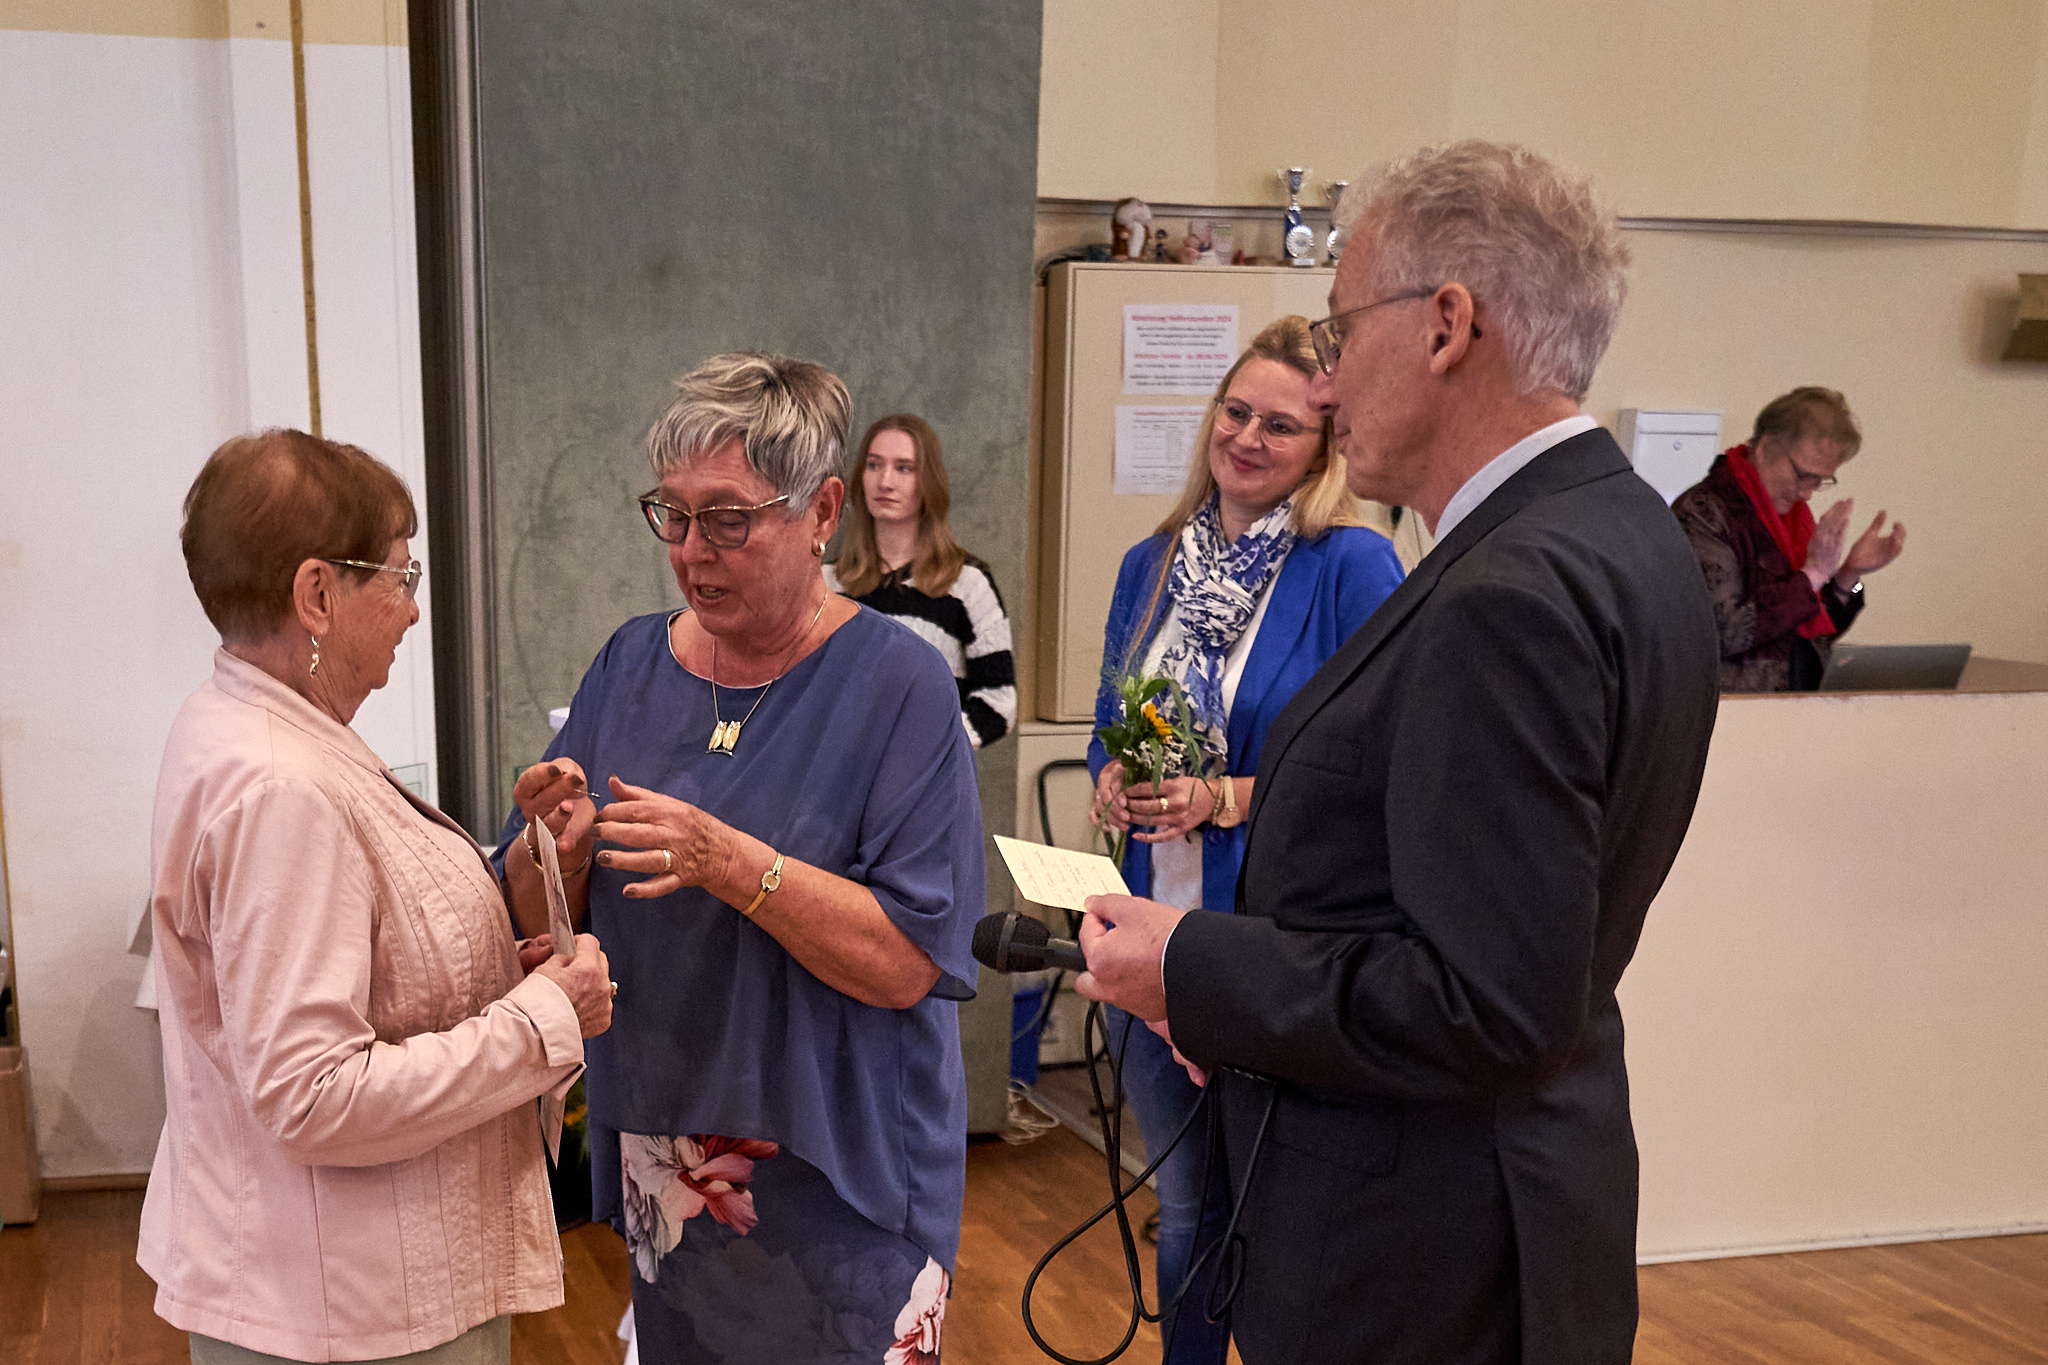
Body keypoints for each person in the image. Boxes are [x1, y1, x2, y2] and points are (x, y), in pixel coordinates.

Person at [1073, 140, 1721, 1365]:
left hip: (1419, 1257)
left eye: (1338, 330)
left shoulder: (1507, 592)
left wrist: (1195, 969)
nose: (1324, 387)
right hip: (1503, 1211)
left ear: (1445, 327)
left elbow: (1484, 1004)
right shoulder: (1617, 529)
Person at [498, 354, 982, 1365]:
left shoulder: (898, 686)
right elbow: (534, 913)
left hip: (843, 1168)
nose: (690, 551)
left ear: (822, 512)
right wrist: (558, 852)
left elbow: (909, 959)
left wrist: (730, 863)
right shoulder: (630, 664)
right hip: (673, 1151)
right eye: (672, 515)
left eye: (726, 519)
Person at [141, 430, 615, 1365]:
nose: (412, 608)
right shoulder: (282, 784)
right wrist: (542, 1020)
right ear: (317, 594)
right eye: (400, 576)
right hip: (349, 1311)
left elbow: (356, 957)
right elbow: (313, 1093)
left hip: (336, 1288)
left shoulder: (256, 722)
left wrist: (512, 921)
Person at [1083, 314, 1404, 1364]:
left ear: (1322, 448)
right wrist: (1111, 779)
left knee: (1263, 1224)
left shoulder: (1351, 566)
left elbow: (1376, 769)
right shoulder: (1151, 562)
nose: (1248, 438)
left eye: (1281, 425)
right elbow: (1109, 722)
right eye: (1236, 412)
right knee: (1184, 1209)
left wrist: (1224, 798)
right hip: (1148, 937)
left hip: (1266, 954)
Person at [1672, 387, 1908, 691]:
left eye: (1821, 480)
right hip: (1728, 710)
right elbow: (1722, 634)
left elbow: (1808, 636)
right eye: (1803, 475)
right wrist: (1813, 574)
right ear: (1765, 448)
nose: (1807, 493)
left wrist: (1849, 576)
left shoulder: (1792, 521)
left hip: (1793, 707)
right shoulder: (1703, 514)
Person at [827, 413, 1016, 747]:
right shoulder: (826, 584)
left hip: (928, 774)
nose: (885, 481)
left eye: (904, 468)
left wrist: (921, 752)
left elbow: (998, 703)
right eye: (874, 465)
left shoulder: (967, 584)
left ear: (928, 481)